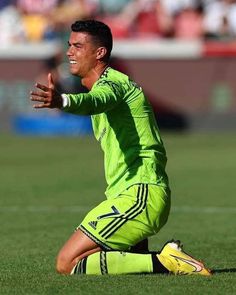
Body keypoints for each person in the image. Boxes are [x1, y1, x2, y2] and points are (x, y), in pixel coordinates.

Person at [30, 19, 211, 276]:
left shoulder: (114, 84)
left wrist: (62, 100)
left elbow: (97, 100)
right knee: (108, 265)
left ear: (100, 53)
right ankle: (160, 259)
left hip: (140, 195)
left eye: (78, 46)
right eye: (69, 45)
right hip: (127, 195)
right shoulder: (103, 85)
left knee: (67, 262)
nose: (69, 52)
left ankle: (166, 261)